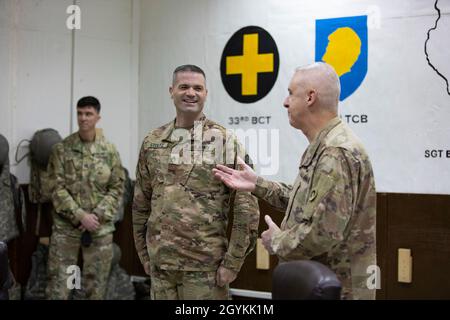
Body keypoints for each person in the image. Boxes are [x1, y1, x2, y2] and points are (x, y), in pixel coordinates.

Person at [213, 62, 376, 300]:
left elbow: (324, 232)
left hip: (338, 290)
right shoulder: (324, 146)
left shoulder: (335, 151)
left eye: (290, 93)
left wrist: (276, 241)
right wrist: (256, 184)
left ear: (310, 97)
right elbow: (307, 204)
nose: (285, 102)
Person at [132, 64, 259, 300]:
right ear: (171, 91)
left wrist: (233, 263)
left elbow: (246, 207)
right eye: (184, 87)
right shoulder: (153, 141)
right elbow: (141, 202)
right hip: (161, 267)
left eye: (198, 88)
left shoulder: (224, 141)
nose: (191, 92)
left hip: (204, 270)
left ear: (206, 94)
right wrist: (143, 254)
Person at [46, 96, 125, 299]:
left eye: (88, 114)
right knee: (59, 286)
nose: (83, 118)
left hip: (99, 228)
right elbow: (56, 187)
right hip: (66, 229)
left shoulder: (109, 151)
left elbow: (117, 187)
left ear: (98, 117)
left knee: (96, 287)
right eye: (80, 113)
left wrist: (96, 215)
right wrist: (81, 216)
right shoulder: (62, 150)